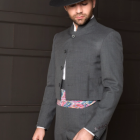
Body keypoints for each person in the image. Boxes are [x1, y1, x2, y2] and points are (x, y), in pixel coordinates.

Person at [32, 0, 123, 140]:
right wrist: (41, 125)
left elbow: (114, 87)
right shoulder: (59, 38)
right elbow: (52, 84)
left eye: (84, 3)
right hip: (61, 124)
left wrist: (91, 129)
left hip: (88, 123)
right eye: (73, 5)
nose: (79, 10)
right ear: (65, 7)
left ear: (93, 2)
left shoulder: (108, 36)